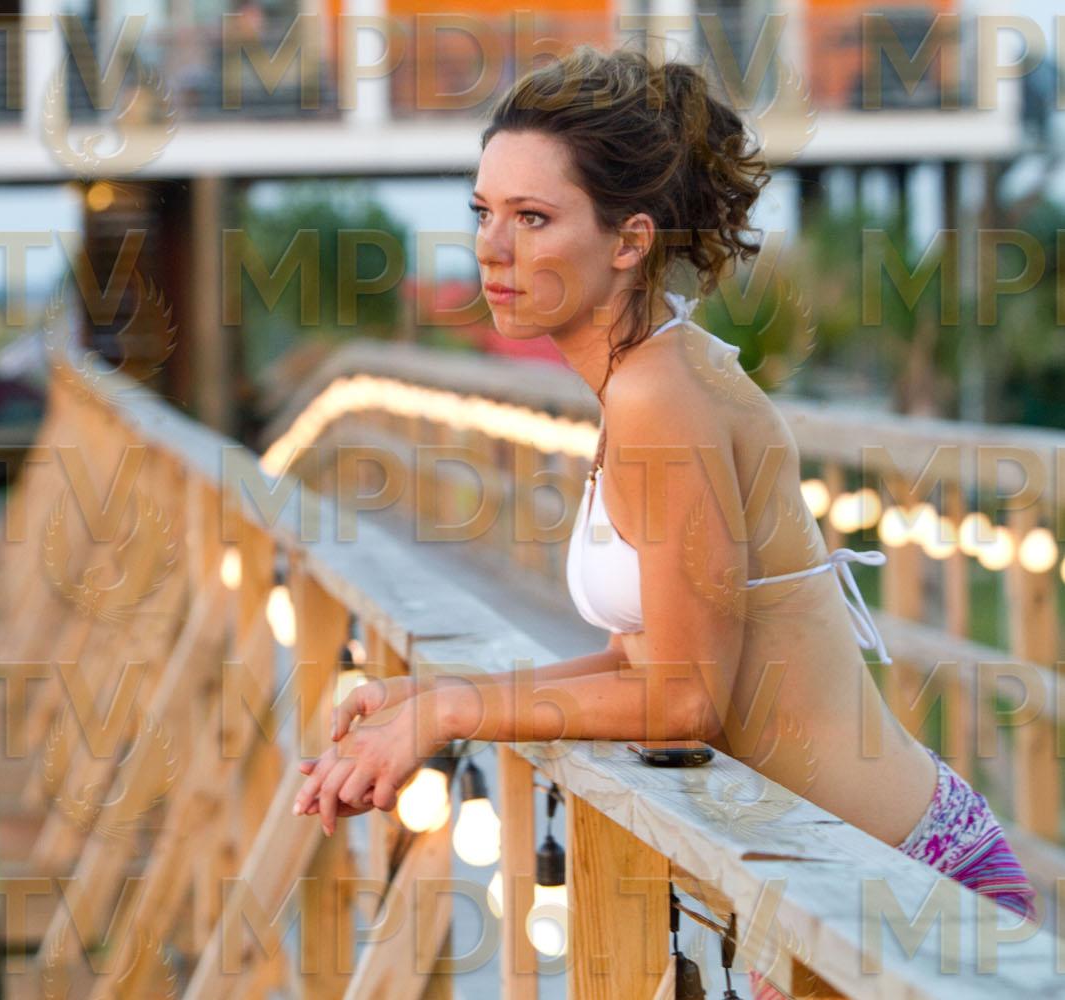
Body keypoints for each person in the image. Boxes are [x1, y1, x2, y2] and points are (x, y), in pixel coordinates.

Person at [289, 43, 1039, 977]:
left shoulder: (660, 397)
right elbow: (645, 659)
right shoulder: (645, 379)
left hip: (905, 889)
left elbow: (684, 700)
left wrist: (450, 710)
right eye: (484, 212)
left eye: (533, 217)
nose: (492, 246)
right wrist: (441, 699)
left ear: (629, 241)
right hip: (824, 890)